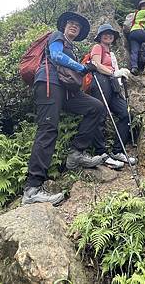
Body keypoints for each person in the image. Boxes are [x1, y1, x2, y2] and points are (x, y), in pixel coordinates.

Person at [22, 12, 106, 206]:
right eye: (70, 23)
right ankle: (32, 189)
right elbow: (57, 56)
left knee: (95, 107)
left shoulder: (73, 47)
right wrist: (83, 68)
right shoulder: (56, 36)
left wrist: (85, 67)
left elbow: (70, 68)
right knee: (48, 129)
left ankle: (76, 154)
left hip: (66, 90)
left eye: (77, 25)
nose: (73, 26)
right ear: (64, 26)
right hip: (49, 83)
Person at [89, 24, 138, 166]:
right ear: (99, 36)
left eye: (111, 34)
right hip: (100, 81)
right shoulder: (97, 47)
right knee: (100, 116)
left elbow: (112, 69)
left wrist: (120, 75)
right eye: (105, 33)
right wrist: (113, 73)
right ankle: (101, 153)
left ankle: (118, 150)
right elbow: (96, 64)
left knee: (125, 114)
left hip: (112, 84)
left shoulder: (111, 53)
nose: (108, 35)